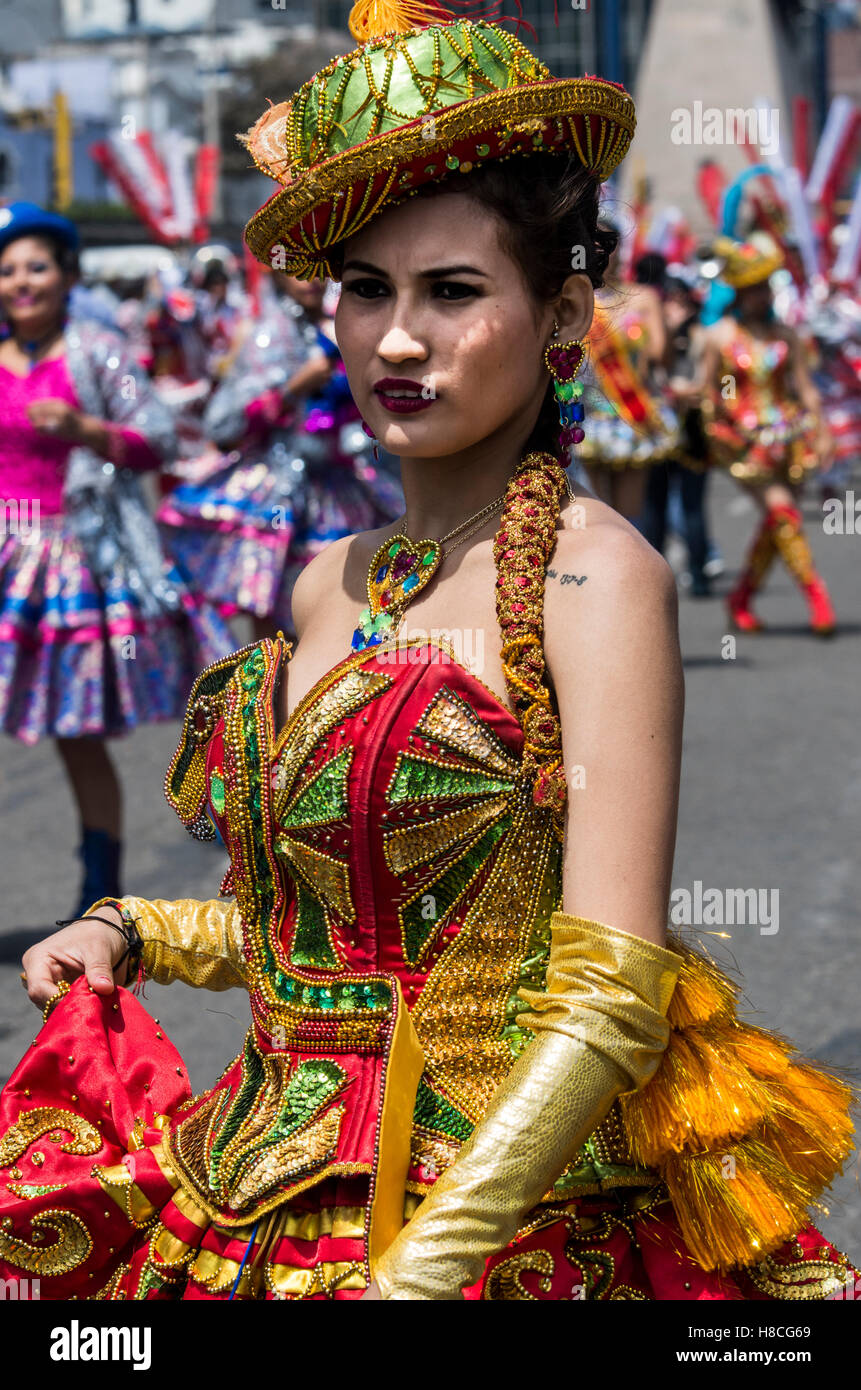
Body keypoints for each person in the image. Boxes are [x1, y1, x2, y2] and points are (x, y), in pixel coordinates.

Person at [2, 6, 856, 1302]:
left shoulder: (592, 576)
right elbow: (333, 944)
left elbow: (609, 991)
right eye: (366, 289)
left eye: (453, 291)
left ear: (560, 309)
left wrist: (425, 1266)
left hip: (499, 1232)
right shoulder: (322, 579)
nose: (397, 338)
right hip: (258, 1197)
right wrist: (133, 928)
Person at [0, 201, 232, 916]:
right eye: (5, 270)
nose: (20, 282)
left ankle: (98, 888)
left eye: (36, 265)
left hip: (70, 554)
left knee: (77, 732)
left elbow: (157, 437)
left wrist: (87, 429)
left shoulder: (95, 350)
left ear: (68, 275)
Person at [157, 269, 402, 644]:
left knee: (350, 609)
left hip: (338, 489)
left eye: (320, 273)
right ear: (278, 279)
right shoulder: (266, 335)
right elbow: (225, 423)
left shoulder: (332, 328)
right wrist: (293, 389)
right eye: (298, 272)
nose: (311, 282)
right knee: (279, 625)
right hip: (280, 498)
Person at [699, 234, 836, 635]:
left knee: (778, 524)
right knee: (783, 515)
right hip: (745, 441)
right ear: (739, 294)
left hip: (791, 436)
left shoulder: (786, 336)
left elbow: (805, 388)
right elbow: (719, 389)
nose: (761, 296)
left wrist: (824, 431)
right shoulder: (721, 337)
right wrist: (735, 414)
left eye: (764, 288)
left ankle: (740, 598)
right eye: (753, 290)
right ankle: (817, 596)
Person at [578, 246, 679, 521]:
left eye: (605, 247)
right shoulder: (574, 299)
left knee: (627, 516)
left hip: (631, 415)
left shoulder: (643, 298)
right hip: (587, 417)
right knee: (594, 515)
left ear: (618, 251)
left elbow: (660, 355)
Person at [642, 273, 714, 595]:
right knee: (653, 506)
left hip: (695, 431)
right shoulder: (653, 335)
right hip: (659, 431)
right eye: (668, 301)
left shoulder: (705, 336)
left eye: (678, 300)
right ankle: (655, 576)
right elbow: (648, 373)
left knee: (692, 506)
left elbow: (714, 385)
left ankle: (698, 574)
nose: (673, 307)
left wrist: (690, 392)